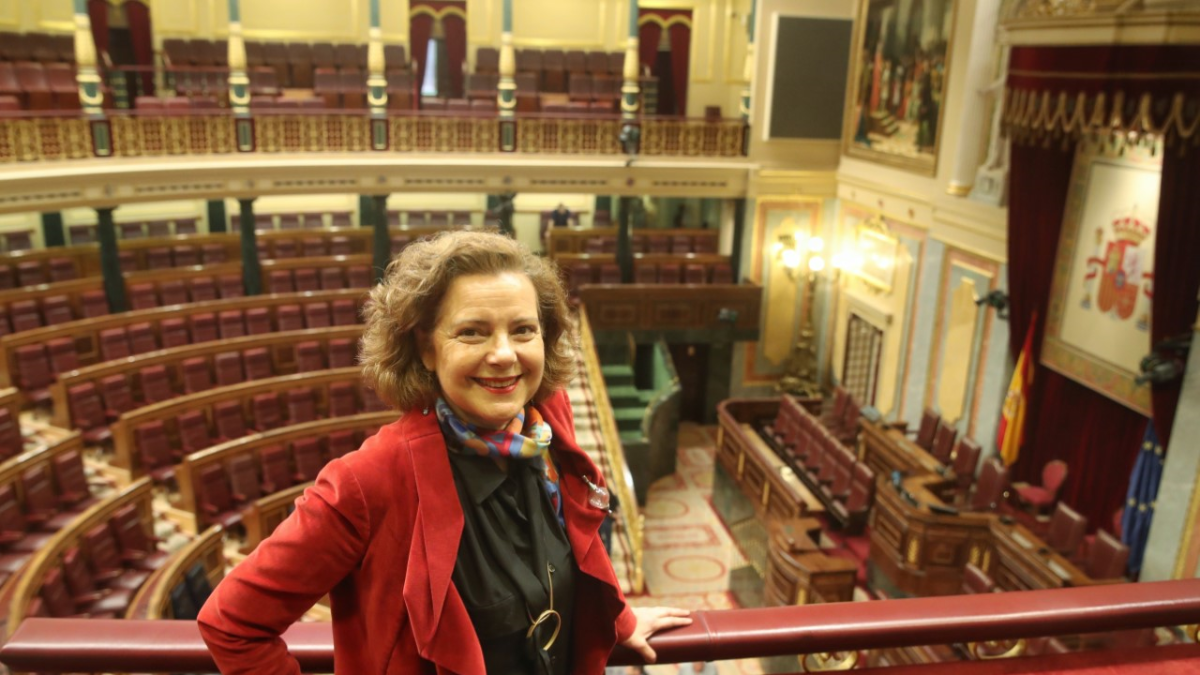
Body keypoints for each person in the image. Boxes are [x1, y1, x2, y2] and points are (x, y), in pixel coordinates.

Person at [197, 230, 691, 674]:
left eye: (523, 330)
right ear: (426, 348)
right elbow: (232, 624)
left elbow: (583, 540)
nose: (503, 354)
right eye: (472, 331)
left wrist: (620, 619)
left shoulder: (547, 420)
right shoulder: (367, 481)